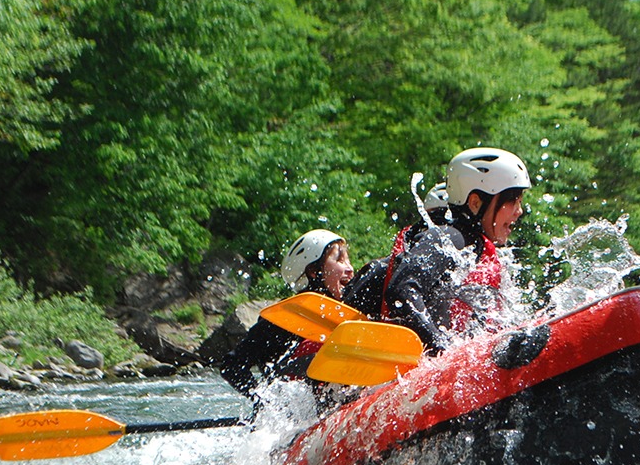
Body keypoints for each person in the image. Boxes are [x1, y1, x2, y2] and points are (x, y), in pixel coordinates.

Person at [345, 147, 531, 352]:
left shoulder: (472, 246)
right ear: (476, 202)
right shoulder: (451, 238)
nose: (519, 211)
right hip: (412, 366)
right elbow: (402, 289)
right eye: (512, 200)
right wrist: (443, 350)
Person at [219, 229, 354, 399]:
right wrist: (262, 399)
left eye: (348, 260)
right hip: (294, 414)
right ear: (313, 271)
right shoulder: (282, 319)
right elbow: (231, 365)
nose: (350, 269)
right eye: (339, 260)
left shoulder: (348, 311)